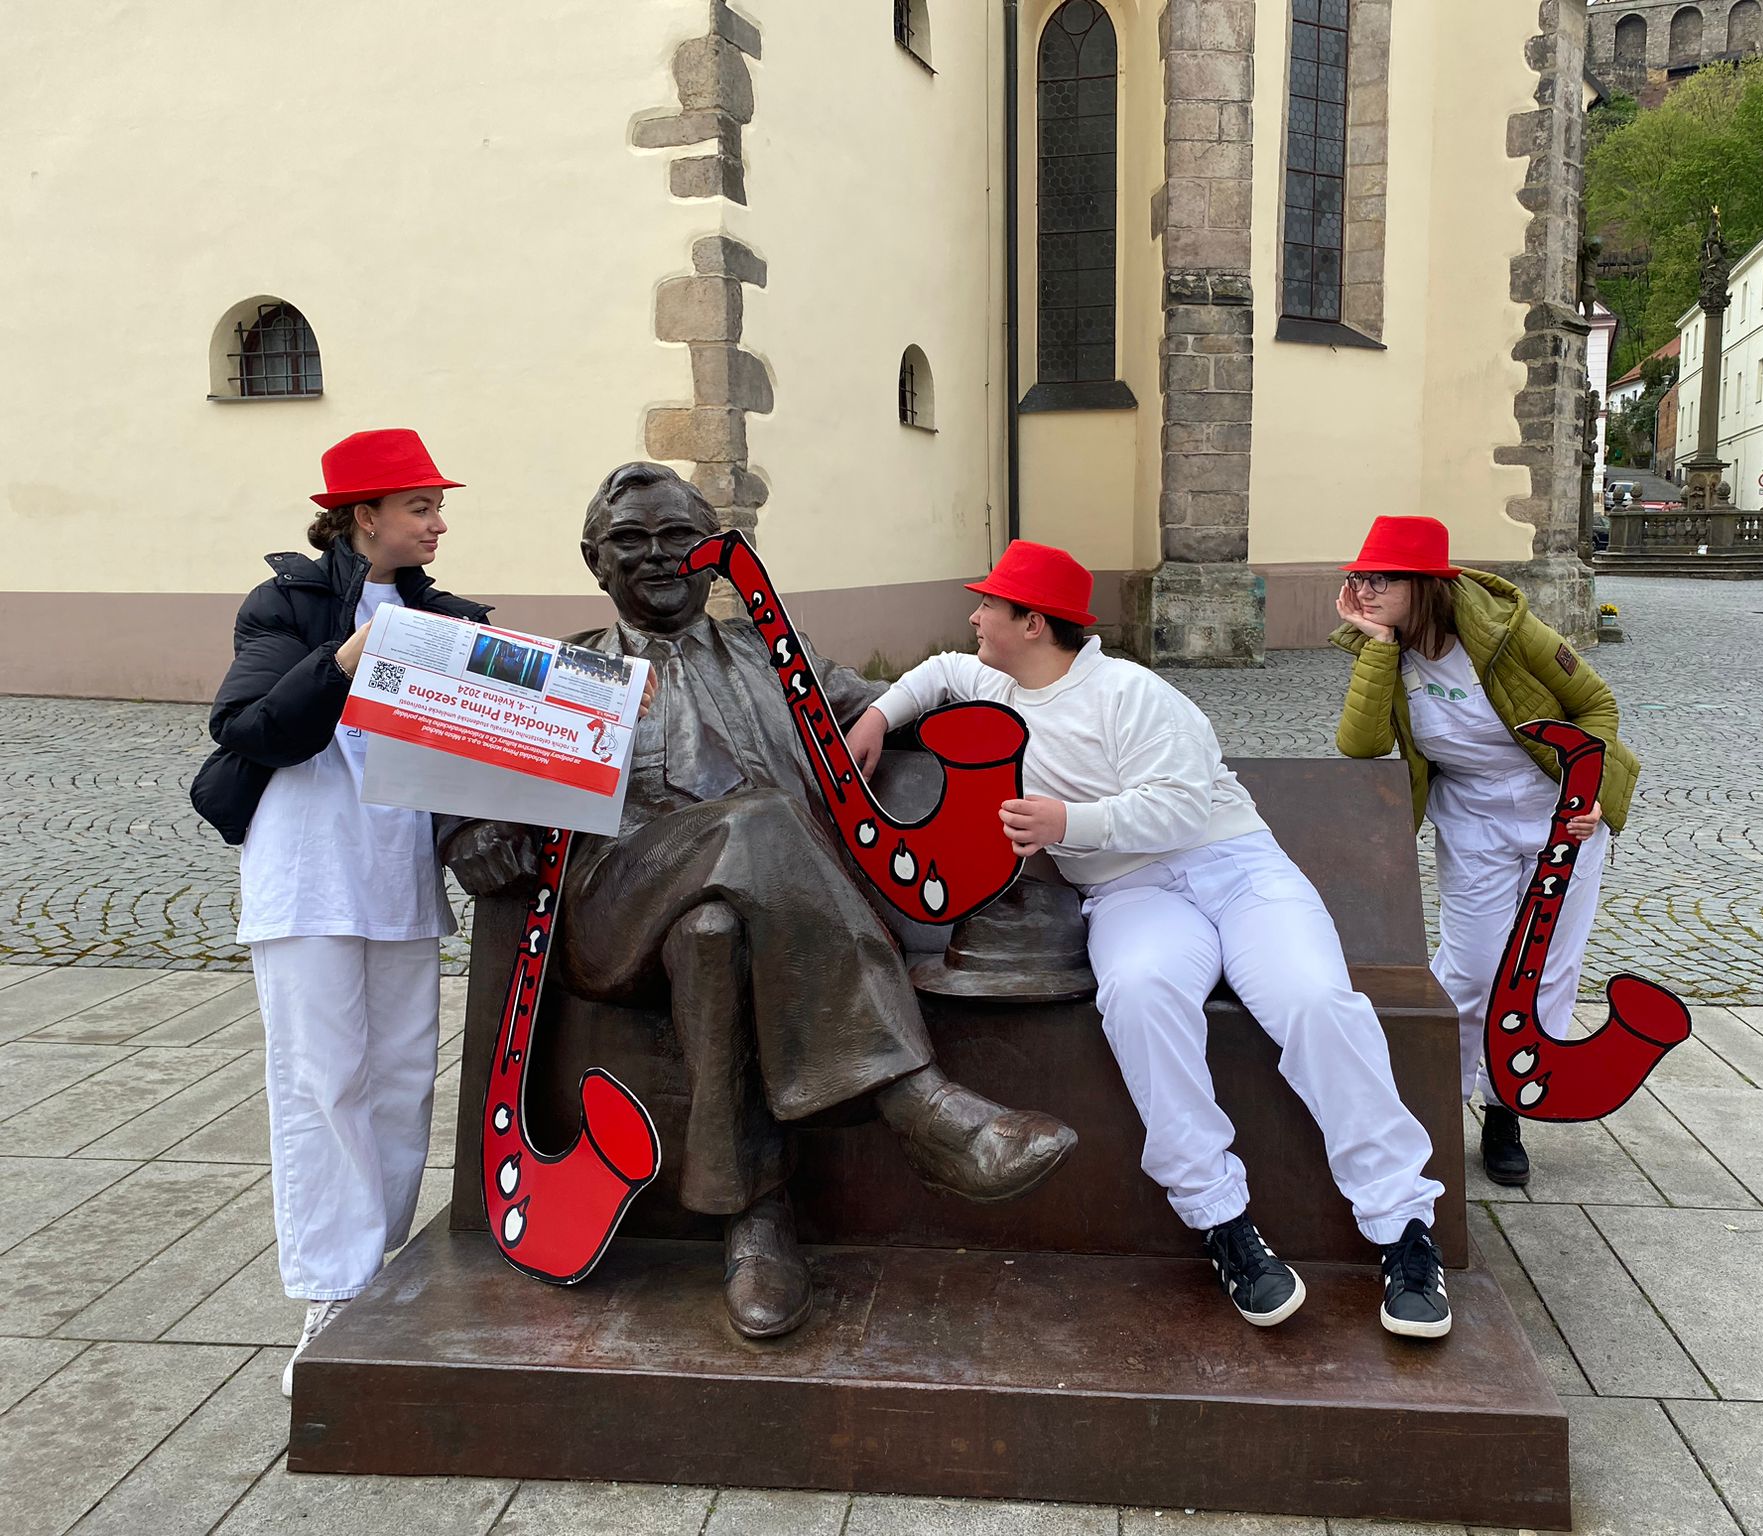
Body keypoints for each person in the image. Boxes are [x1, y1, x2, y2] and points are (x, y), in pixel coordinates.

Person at [442, 464, 1076, 1343]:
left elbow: (904, 713)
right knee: (764, 821)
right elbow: (465, 789)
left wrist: (1066, 715)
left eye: (680, 538)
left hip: (746, 918)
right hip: (616, 904)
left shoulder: (780, 656)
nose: (660, 557)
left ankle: (755, 1223)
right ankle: (919, 1104)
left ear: (715, 557)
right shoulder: (564, 670)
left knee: (716, 930)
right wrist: (474, 837)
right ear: (595, 562)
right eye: (631, 542)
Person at [845, 541, 1452, 1341]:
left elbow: (1178, 809)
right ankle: (1223, 1221)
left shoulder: (1136, 693)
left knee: (1314, 1004)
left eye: (989, 604)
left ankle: (1403, 1228)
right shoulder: (995, 678)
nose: (974, 615)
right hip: (1131, 893)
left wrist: (1070, 823)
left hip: (1233, 866)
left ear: (1032, 622)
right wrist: (878, 717)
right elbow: (938, 675)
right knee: (1138, 997)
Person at [191, 429, 483, 1397]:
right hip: (307, 876)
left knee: (400, 1082)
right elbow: (249, 726)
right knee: (324, 1083)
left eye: (437, 506)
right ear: (364, 516)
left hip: (396, 876)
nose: (438, 522)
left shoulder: (444, 615)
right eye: (420, 507)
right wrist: (348, 657)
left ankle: (384, 1269)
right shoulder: (285, 603)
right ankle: (332, 1291)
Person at [1330, 515, 1640, 1188]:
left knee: (1548, 969)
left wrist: (1585, 795)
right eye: (1359, 577)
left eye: (1380, 579)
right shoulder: (1386, 646)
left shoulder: (1505, 631)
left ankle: (1507, 1108)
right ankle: (1437, 1103)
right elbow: (1358, 746)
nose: (1365, 589)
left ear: (1425, 585)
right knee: (1469, 967)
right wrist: (1379, 643)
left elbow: (1596, 706)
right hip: (1471, 816)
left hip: (1560, 811)